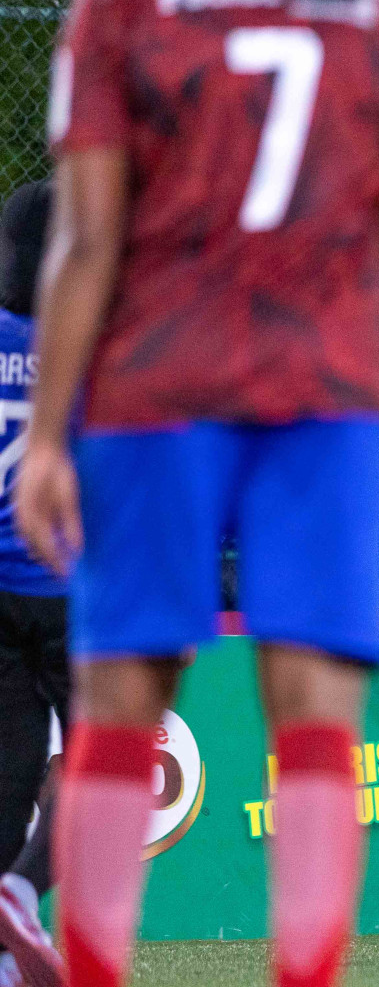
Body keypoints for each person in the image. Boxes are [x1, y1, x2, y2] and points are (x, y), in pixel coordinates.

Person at [19, 0, 379, 987]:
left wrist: (54, 436)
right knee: (317, 711)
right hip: (325, 386)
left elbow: (87, 237)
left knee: (121, 701)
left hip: (160, 379)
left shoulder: (122, 6)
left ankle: (98, 972)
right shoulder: (377, 13)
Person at [0, 180, 68, 987]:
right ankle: (23, 892)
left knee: (9, 772)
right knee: (101, 763)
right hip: (73, 588)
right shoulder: (89, 347)